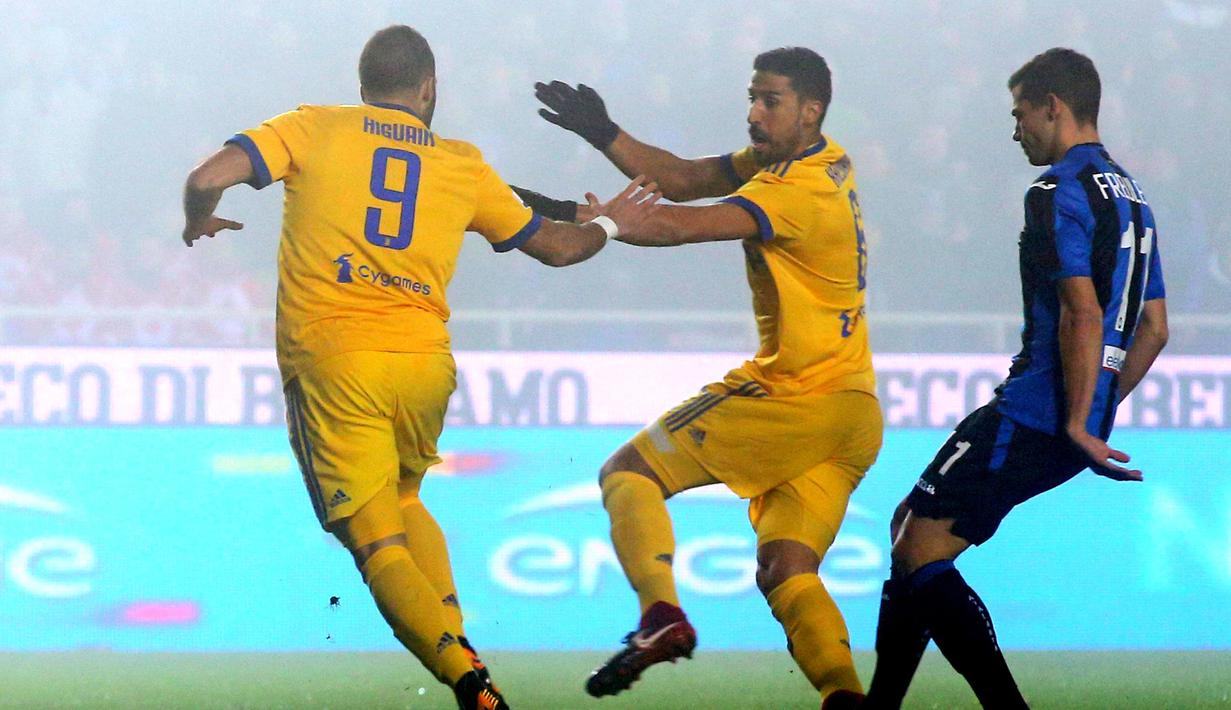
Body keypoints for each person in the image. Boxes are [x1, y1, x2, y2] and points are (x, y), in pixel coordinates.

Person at [179, 25, 660, 710]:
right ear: (429, 88)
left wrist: (198, 218)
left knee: (374, 540)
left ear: (362, 85)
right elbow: (555, 247)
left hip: (337, 361)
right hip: (425, 367)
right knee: (406, 500)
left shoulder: (314, 127)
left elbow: (205, 178)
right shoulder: (459, 162)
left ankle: (469, 683)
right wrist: (610, 224)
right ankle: (457, 644)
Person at [524, 47, 882, 709]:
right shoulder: (818, 159)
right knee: (785, 571)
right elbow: (683, 179)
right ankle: (845, 699)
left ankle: (660, 615)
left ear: (810, 109)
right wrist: (604, 133)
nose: (752, 112)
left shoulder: (793, 190)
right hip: (853, 411)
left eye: (768, 100)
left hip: (793, 395)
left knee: (627, 473)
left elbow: (672, 226)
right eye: (751, 96)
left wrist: (543, 214)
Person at [864, 48, 1169, 709]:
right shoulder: (1133, 198)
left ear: (1052, 108)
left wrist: (1070, 418)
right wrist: (1093, 420)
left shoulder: (1055, 191)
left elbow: (1080, 313)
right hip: (1069, 420)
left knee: (917, 548)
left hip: (1033, 410)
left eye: (1019, 113)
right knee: (909, 532)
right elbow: (1153, 329)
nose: (1014, 130)